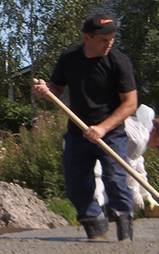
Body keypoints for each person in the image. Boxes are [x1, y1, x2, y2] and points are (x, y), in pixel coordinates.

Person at [33, 13, 137, 241]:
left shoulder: (119, 62)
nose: (108, 43)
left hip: (110, 134)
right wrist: (45, 91)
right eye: (103, 39)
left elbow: (130, 103)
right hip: (78, 134)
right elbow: (56, 90)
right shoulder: (69, 59)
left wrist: (102, 128)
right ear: (87, 37)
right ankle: (96, 228)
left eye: (111, 38)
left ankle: (125, 236)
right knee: (76, 186)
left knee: (115, 181)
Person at [94, 105, 159, 211]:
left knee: (108, 191)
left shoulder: (142, 133)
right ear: (153, 130)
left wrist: (146, 195)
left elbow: (139, 168)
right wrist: (136, 196)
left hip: (107, 156)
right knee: (98, 192)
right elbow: (129, 171)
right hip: (95, 151)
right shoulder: (138, 139)